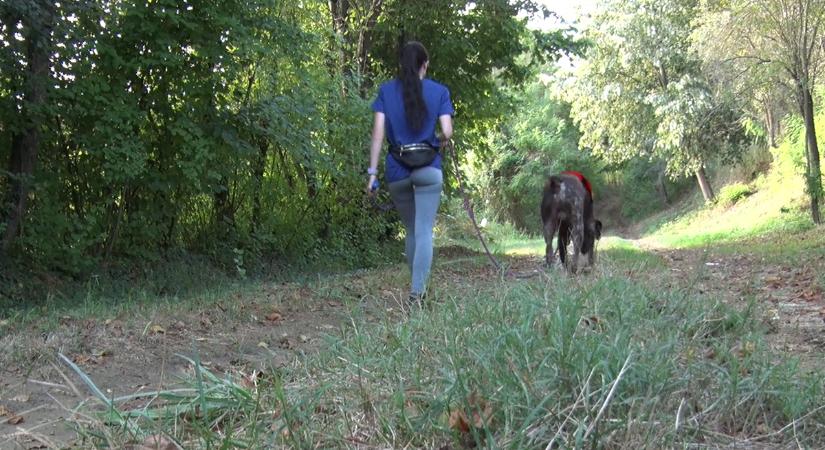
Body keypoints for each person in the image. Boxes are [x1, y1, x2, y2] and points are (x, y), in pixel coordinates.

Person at [366, 41, 454, 305]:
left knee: (411, 229)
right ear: (424, 65)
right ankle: (417, 292)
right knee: (425, 229)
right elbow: (447, 131)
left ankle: (416, 285)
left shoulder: (386, 92)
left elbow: (377, 136)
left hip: (397, 169)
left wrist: (372, 173)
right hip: (429, 167)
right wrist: (438, 138)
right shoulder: (439, 91)